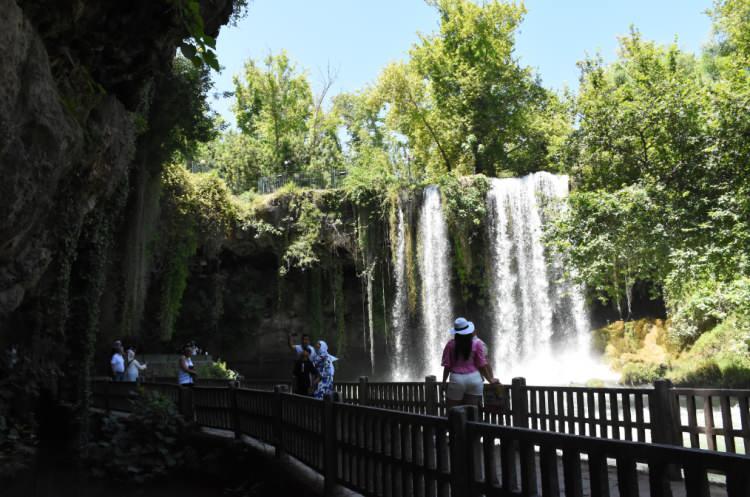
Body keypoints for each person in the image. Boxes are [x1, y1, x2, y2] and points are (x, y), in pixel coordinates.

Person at [441, 317, 498, 409]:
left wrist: (444, 382)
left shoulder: (450, 345)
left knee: (452, 411)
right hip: (474, 379)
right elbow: (482, 365)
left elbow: (447, 366)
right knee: (472, 412)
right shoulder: (477, 344)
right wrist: (490, 379)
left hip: (457, 379)